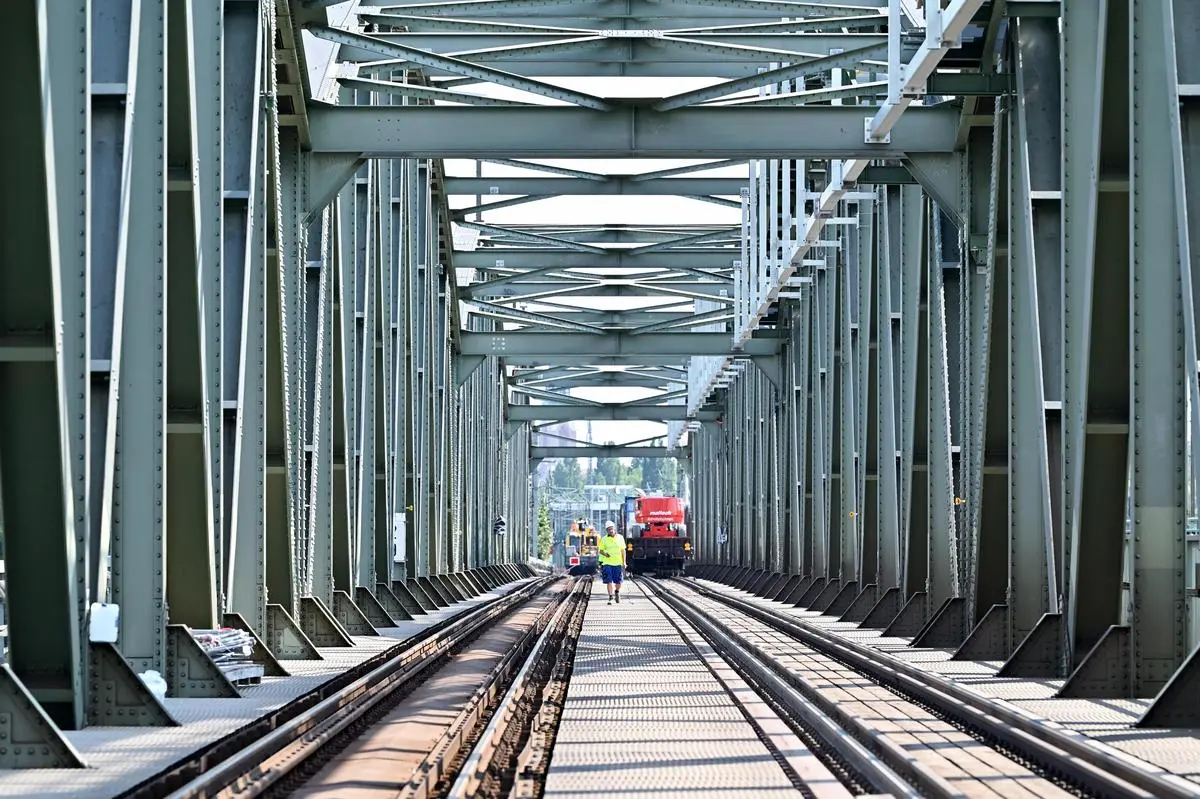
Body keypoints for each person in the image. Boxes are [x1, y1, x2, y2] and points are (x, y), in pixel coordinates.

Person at [597, 520, 626, 604]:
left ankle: (617, 591)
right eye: (608, 529)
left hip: (618, 563)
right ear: (607, 530)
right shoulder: (604, 539)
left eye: (611, 528)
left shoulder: (620, 538)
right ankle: (610, 597)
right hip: (607, 563)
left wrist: (624, 562)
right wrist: (605, 554)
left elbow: (623, 551)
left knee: (618, 582)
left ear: (614, 528)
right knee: (609, 580)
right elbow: (600, 550)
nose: (610, 530)